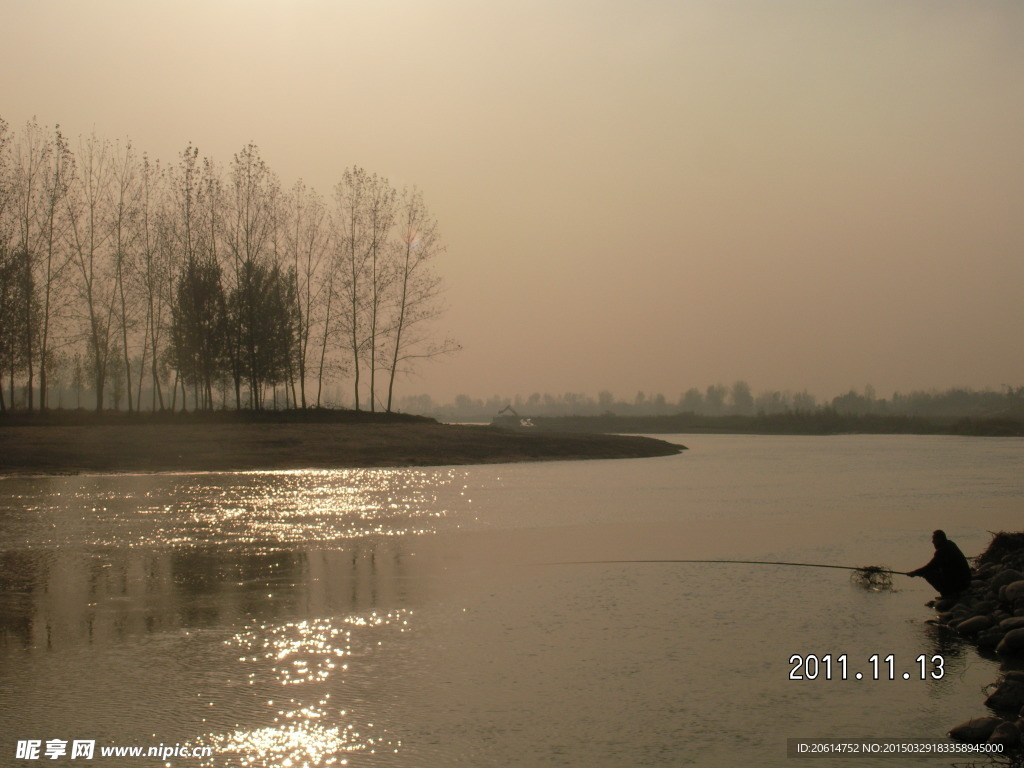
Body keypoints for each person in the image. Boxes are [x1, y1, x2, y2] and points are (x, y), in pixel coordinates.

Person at [907, 530, 972, 597]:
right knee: (934, 570)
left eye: (934, 539)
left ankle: (947, 593)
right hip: (966, 581)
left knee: (928, 573)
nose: (932, 542)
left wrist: (914, 573)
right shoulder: (950, 544)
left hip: (960, 584)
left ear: (940, 539)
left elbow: (930, 567)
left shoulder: (943, 551)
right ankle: (950, 591)